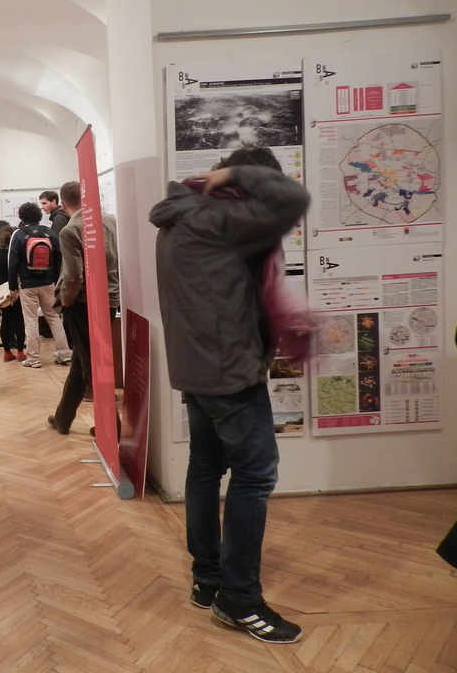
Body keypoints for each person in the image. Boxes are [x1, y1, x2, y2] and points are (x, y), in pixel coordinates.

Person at [149, 146, 310, 644]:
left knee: (204, 466)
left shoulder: (180, 216)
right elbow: (293, 198)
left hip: (197, 367)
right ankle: (238, 597)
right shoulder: (221, 219)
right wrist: (237, 174)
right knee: (256, 474)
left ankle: (208, 578)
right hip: (228, 373)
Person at [47, 181, 119, 435]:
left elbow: (73, 275)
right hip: (109, 301)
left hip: (84, 304)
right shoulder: (110, 221)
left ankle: (112, 427)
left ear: (63, 204)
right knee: (81, 360)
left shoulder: (70, 230)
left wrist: (66, 300)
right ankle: (63, 417)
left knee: (90, 365)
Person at [7, 201, 71, 368]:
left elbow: (12, 263)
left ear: (21, 217)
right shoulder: (49, 232)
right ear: (38, 215)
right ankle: (64, 353)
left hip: (27, 284)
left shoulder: (19, 234)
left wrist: (13, 286)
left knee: (31, 320)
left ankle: (33, 358)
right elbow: (59, 257)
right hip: (48, 283)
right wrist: (54, 279)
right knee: (54, 317)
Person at [0, 225, 25, 361]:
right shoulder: (16, 251)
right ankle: (20, 351)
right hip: (16, 289)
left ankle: (7, 352)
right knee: (19, 320)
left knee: (5, 321)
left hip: (1, 291)